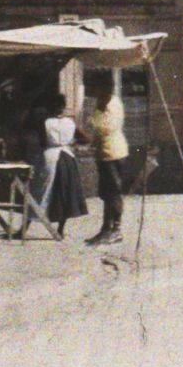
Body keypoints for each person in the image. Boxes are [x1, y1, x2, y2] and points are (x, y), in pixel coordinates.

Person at [82, 73, 129, 246]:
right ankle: (105, 228)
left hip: (113, 152)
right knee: (106, 193)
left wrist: (92, 122)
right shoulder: (101, 103)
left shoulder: (112, 104)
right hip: (103, 152)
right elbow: (98, 132)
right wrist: (91, 143)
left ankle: (116, 229)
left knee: (113, 191)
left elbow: (107, 128)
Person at [37, 102, 87, 239]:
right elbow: (85, 138)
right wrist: (71, 144)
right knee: (65, 192)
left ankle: (26, 225)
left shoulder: (46, 123)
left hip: (50, 157)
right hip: (67, 157)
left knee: (40, 190)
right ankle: (60, 228)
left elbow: (42, 142)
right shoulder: (70, 123)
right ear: (63, 109)